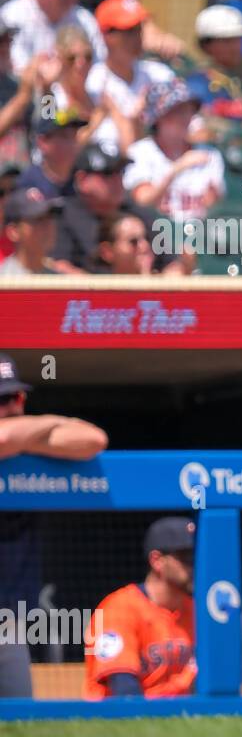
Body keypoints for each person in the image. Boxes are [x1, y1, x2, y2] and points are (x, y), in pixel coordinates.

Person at [0, 352, 107, 697]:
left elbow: (93, 440)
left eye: (12, 397)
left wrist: (27, 434)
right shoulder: (36, 436)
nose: (9, 407)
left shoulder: (30, 438)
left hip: (9, 620)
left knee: (19, 723)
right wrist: (48, 424)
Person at [83, 516, 197, 699]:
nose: (194, 565)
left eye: (196, 557)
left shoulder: (197, 611)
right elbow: (124, 690)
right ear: (157, 560)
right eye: (185, 557)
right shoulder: (119, 609)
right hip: (122, 720)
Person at [124, 79, 225, 224]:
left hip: (199, 236)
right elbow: (143, 201)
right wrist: (178, 168)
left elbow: (212, 208)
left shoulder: (210, 155)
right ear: (158, 118)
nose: (184, 117)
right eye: (176, 111)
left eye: (188, 110)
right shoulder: (140, 153)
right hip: (156, 235)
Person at [52, 141, 159, 272]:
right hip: (83, 292)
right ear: (82, 180)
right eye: (108, 173)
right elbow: (58, 266)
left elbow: (175, 263)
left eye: (120, 172)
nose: (117, 180)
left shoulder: (139, 214)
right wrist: (102, 289)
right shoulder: (62, 216)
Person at [86, 0, 174, 153]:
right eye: (128, 31)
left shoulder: (159, 74)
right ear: (106, 36)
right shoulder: (94, 81)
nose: (136, 38)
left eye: (139, 29)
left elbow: (195, 128)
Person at [0, 187, 62, 275]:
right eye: (38, 219)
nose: (48, 226)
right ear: (14, 232)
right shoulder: (4, 281)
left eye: (50, 217)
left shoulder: (58, 280)